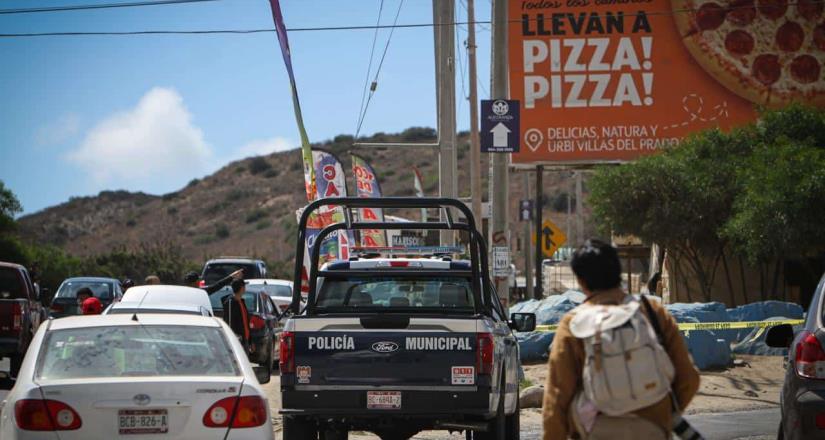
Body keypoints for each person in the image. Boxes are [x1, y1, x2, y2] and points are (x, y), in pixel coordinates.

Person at [542, 239, 700, 440]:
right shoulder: (652, 312)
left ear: (581, 281)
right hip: (653, 430)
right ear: (619, 272)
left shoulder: (573, 324)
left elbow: (556, 399)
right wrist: (660, 413)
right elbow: (689, 378)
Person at [222, 278, 251, 354]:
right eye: (244, 286)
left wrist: (251, 341)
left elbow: (246, 322)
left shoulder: (241, 301)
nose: (245, 288)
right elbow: (229, 323)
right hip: (236, 341)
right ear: (241, 288)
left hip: (245, 340)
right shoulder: (230, 303)